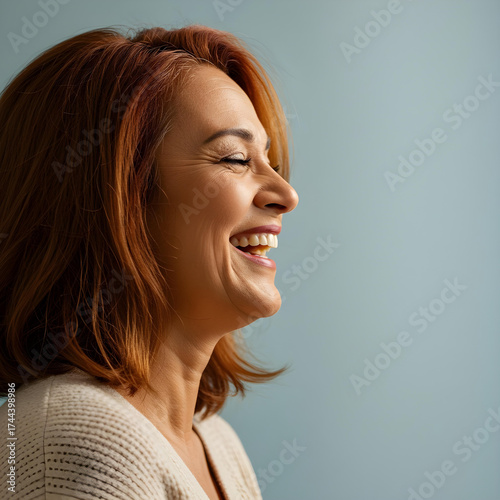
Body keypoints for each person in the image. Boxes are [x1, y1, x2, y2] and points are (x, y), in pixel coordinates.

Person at [0, 24, 299, 500]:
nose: (287, 195)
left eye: (270, 161)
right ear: (117, 201)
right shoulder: (77, 441)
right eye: (235, 159)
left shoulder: (215, 440)